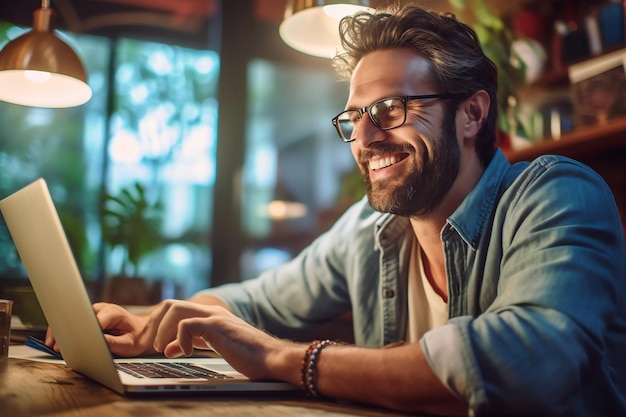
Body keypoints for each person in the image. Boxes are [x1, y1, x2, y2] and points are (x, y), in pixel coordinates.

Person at [47, 4, 626, 416]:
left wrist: (288, 360)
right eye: (354, 117)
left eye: (393, 108)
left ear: (472, 115)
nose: (365, 136)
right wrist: (152, 322)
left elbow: (530, 363)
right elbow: (252, 302)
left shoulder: (557, 196)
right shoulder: (367, 232)